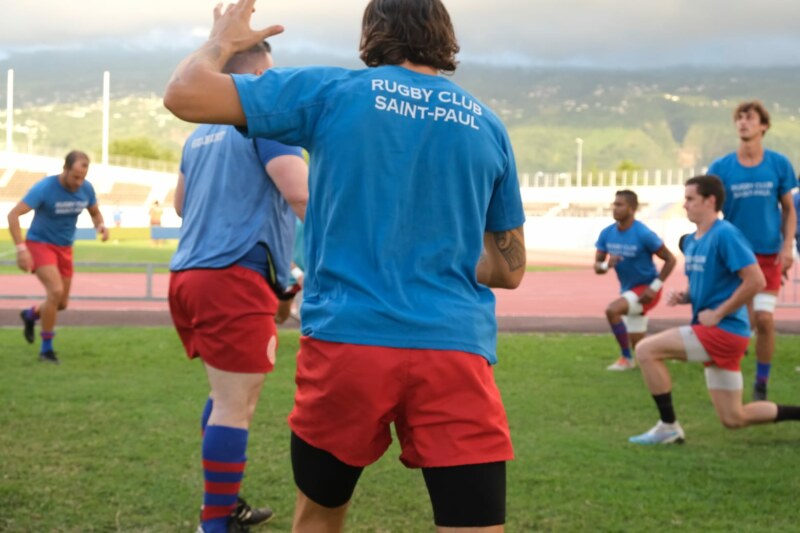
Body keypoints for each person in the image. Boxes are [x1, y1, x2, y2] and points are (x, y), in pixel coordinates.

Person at [164, 1, 527, 531]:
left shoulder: (332, 92)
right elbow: (509, 268)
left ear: (372, 33)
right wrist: (433, 249)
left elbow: (184, 94)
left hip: (348, 344)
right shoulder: (486, 123)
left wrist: (223, 40)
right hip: (454, 348)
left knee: (319, 514)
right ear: (443, 34)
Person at [168, 40, 308, 533]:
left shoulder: (200, 132)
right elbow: (300, 194)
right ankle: (215, 523)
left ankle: (223, 505)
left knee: (228, 394)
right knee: (235, 402)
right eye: (270, 70)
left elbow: (181, 205)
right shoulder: (267, 119)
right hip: (233, 275)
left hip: (189, 275)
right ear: (256, 73)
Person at [628, 175, 800, 445]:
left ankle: (668, 426)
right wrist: (686, 296)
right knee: (734, 418)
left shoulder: (725, 234)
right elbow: (712, 283)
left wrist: (719, 312)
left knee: (646, 350)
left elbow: (756, 280)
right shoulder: (695, 240)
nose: (684, 205)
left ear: (710, 201)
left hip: (723, 330)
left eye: (690, 199)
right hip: (716, 330)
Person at [707, 101, 798, 400]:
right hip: (734, 256)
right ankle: (728, 369)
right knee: (743, 320)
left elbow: (788, 209)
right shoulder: (722, 167)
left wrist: (788, 247)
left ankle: (761, 383)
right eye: (739, 118)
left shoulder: (778, 163)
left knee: (764, 319)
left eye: (750, 118)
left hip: (768, 255)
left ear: (763, 126)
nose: (743, 122)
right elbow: (710, 210)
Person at [7, 150, 109, 364]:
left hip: (65, 247)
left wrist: (100, 225)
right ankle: (46, 350)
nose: (78, 182)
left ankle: (31, 315)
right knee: (54, 291)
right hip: (40, 244)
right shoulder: (44, 188)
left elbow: (94, 212)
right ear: (64, 169)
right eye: (75, 177)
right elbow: (13, 214)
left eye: (83, 177)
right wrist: (21, 248)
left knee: (61, 303)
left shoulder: (86, 188)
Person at [594, 190, 676, 371]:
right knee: (641, 348)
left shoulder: (644, 234)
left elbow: (671, 259)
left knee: (612, 310)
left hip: (646, 290)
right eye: (614, 204)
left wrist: (654, 288)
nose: (614, 208)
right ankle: (666, 354)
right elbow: (597, 268)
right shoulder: (607, 233)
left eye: (619, 205)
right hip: (629, 290)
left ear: (631, 209)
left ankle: (626, 358)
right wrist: (608, 265)